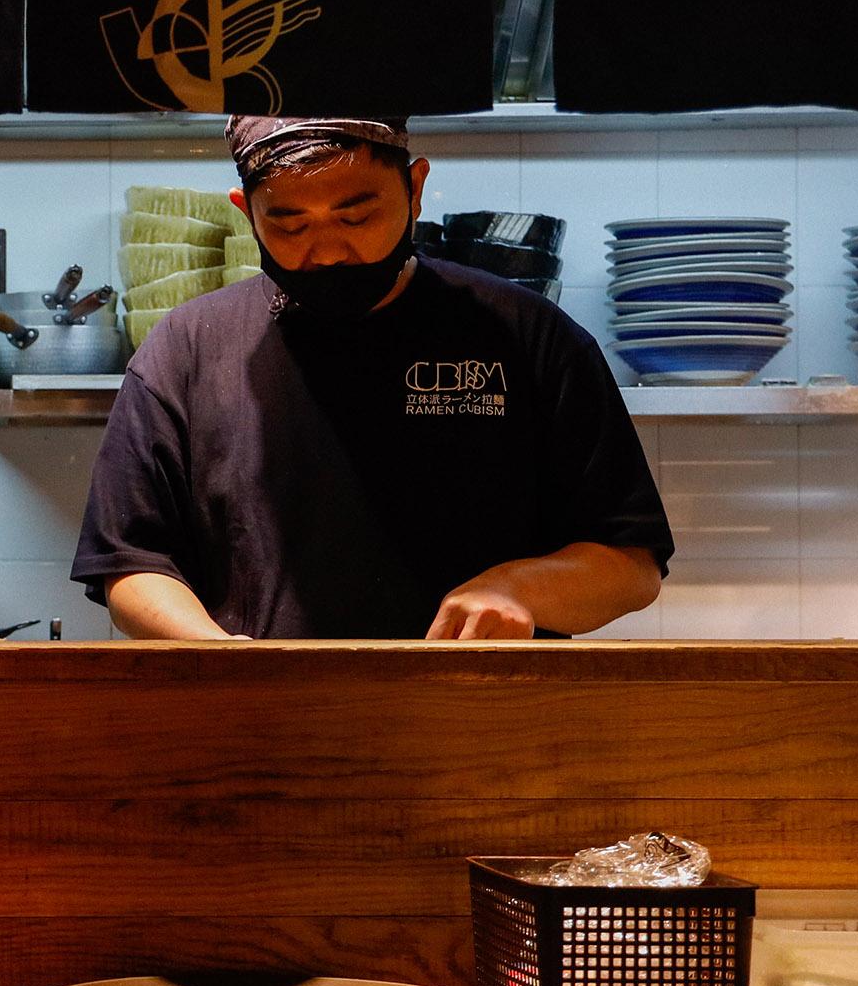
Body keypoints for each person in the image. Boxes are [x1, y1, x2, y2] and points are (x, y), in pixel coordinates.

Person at [72, 114, 673, 641]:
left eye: (357, 217)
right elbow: (131, 564)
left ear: (415, 189)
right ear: (245, 212)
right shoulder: (186, 349)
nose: (328, 252)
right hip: (262, 718)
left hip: (482, 718)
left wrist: (519, 589)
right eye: (289, 225)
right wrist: (219, 655)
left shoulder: (527, 335)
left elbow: (630, 564)